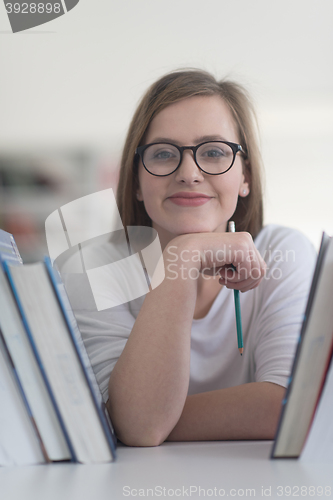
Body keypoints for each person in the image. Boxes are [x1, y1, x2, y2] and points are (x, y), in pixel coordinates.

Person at [63, 69, 316, 447]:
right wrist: (184, 256)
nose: (189, 173)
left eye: (214, 152)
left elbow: (289, 405)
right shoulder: (92, 269)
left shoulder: (284, 251)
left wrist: (135, 416)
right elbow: (141, 428)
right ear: (135, 181)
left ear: (245, 175)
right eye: (163, 154)